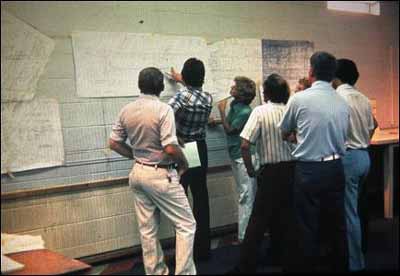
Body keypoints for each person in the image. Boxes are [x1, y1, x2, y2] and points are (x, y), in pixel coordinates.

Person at [109, 67, 196, 275]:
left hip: (138, 173)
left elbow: (113, 143)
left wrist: (136, 156)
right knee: (186, 224)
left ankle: (156, 272)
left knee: (147, 230)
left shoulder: (126, 110)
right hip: (160, 175)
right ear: (161, 86)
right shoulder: (163, 109)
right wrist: (183, 163)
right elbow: (169, 148)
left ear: (140, 85)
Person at [278, 51, 350, 272]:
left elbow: (283, 130)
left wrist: (298, 137)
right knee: (336, 225)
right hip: (336, 167)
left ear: (311, 72)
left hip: (308, 170)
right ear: (333, 75)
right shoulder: (342, 101)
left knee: (306, 225)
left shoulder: (299, 98)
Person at [228, 73, 297, 273]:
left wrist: (251, 170)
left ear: (266, 93)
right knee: (285, 217)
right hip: (292, 170)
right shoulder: (290, 110)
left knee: (258, 220)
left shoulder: (259, 111)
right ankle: (280, 256)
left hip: (271, 171)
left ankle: (246, 265)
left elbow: (244, 144)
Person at [332, 58, 378, 272]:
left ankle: (354, 263)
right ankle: (355, 255)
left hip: (348, 158)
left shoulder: (337, 98)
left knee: (348, 213)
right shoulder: (364, 98)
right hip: (364, 156)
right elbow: (372, 126)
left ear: (336, 77)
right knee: (356, 210)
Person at [168, 58, 213, 261]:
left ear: (184, 77)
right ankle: (203, 250)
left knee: (180, 199)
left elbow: (165, 116)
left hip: (184, 148)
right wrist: (183, 80)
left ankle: (184, 252)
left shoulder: (181, 96)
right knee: (201, 197)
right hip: (199, 149)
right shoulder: (208, 98)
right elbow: (193, 95)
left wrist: (176, 136)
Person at [217, 76, 258, 243]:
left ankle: (245, 237)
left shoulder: (246, 111)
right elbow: (231, 123)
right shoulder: (235, 105)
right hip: (236, 155)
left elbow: (231, 130)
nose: (231, 88)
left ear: (240, 92)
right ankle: (247, 234)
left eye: (234, 86)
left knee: (246, 197)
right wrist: (219, 120)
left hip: (245, 157)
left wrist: (221, 110)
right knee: (244, 194)